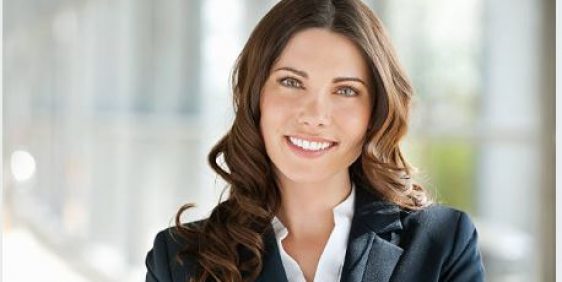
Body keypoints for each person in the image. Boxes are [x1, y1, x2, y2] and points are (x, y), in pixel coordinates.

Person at [145, 0, 485, 281]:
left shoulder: (442, 243)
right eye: (292, 82)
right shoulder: (178, 259)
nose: (314, 115)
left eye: (346, 90)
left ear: (375, 112)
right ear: (254, 96)